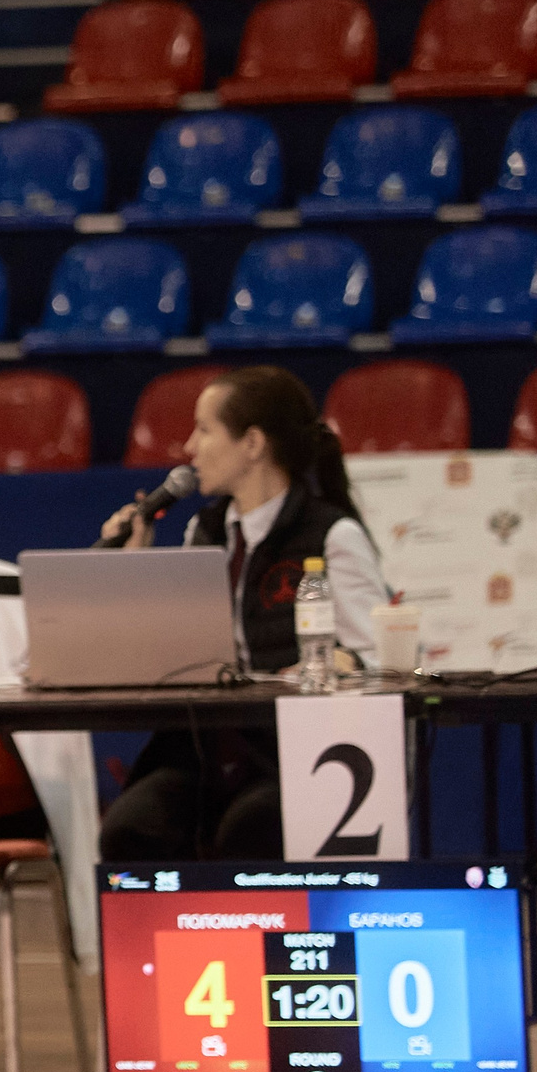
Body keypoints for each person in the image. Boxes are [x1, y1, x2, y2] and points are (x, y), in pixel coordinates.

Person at [98, 364, 387, 860]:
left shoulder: (331, 534)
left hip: (291, 751)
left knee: (252, 830)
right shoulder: (204, 533)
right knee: (132, 829)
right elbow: (173, 655)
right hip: (201, 749)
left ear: (252, 444)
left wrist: (339, 662)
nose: (189, 448)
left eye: (205, 430)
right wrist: (133, 567)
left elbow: (376, 654)